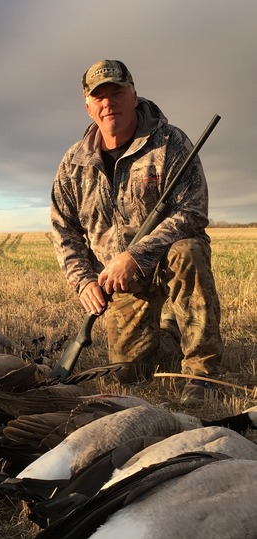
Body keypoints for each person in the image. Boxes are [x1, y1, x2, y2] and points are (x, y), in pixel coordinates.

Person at [50, 59, 223, 405]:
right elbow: (63, 228)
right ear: (88, 106)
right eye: (99, 97)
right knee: (129, 372)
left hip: (166, 262)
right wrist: (84, 281)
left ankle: (201, 373)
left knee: (186, 250)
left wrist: (135, 255)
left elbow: (192, 212)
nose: (108, 103)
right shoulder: (74, 163)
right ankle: (172, 329)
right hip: (121, 282)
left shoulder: (170, 143)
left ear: (134, 94)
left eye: (117, 92)